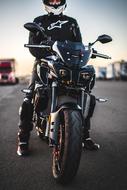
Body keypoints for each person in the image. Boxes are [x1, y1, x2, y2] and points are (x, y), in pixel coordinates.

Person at [17, 0, 100, 156]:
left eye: (58, 0)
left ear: (63, 2)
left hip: (67, 65)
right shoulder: (39, 21)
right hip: (44, 62)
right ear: (46, 2)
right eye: (51, 0)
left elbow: (78, 45)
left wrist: (86, 51)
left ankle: (84, 136)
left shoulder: (72, 23)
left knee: (85, 94)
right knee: (29, 96)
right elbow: (32, 46)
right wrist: (45, 51)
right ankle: (23, 139)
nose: (55, 2)